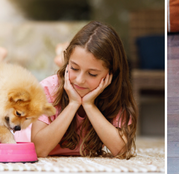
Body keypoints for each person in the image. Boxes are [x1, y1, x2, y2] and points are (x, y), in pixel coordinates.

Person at [15, 21, 137, 158]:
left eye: (92, 74)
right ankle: (59, 57)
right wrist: (73, 104)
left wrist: (89, 106)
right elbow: (39, 150)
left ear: (111, 74)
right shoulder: (46, 89)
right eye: (74, 68)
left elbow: (122, 150)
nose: (79, 80)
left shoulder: (113, 94)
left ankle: (62, 58)